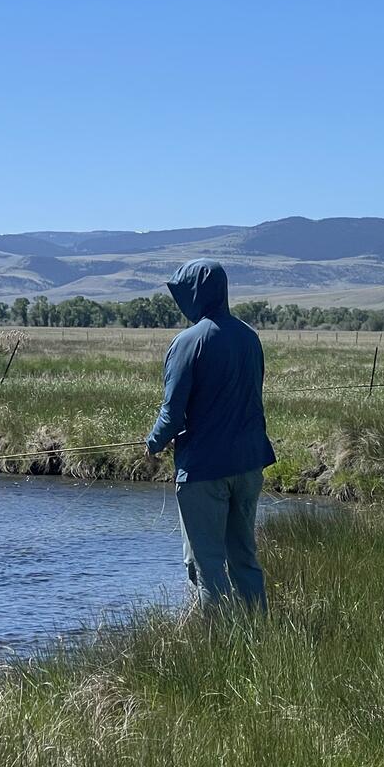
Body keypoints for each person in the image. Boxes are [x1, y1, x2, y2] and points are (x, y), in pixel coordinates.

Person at [145, 259, 277, 610]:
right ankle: (257, 629)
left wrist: (153, 443)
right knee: (244, 557)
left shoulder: (187, 342)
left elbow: (172, 414)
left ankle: (217, 647)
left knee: (205, 565)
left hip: (204, 469)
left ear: (195, 294)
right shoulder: (250, 338)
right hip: (250, 464)